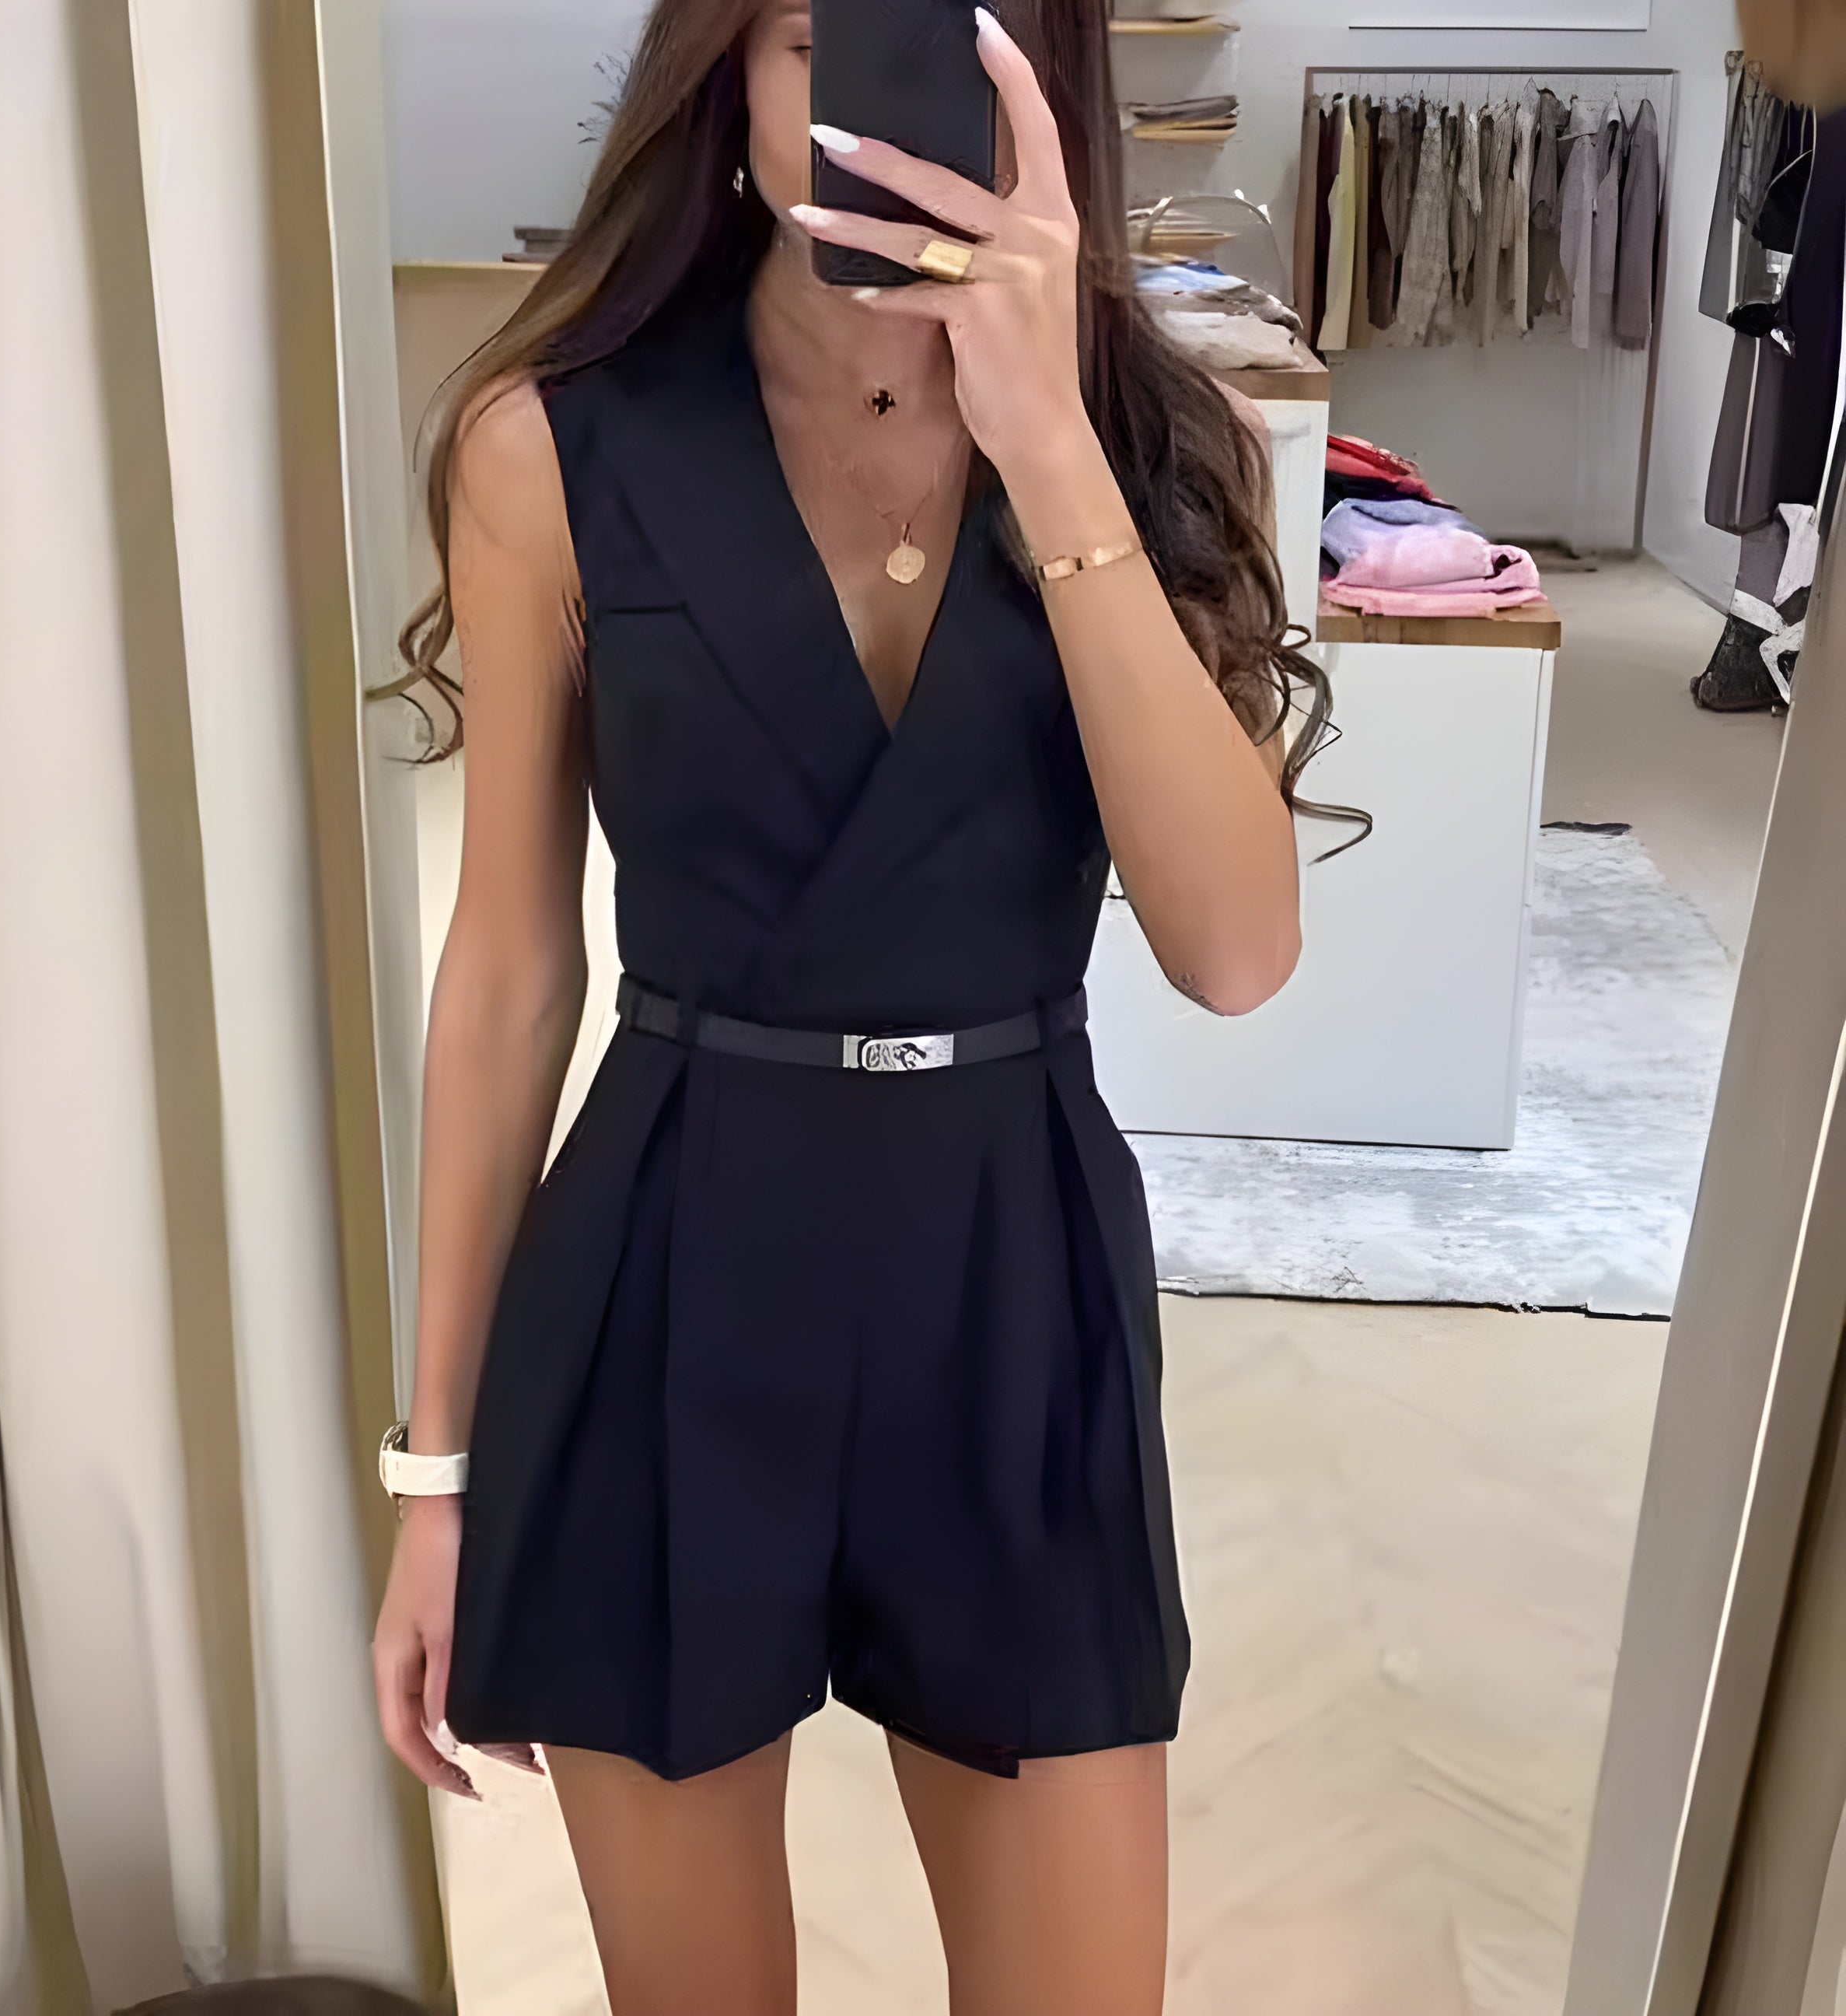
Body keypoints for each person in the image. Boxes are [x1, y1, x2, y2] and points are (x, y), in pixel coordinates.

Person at [372, 2, 1345, 2009]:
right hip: (671, 1268)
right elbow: (511, 973)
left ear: (1040, 86)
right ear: (726, 76)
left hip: (1013, 1278)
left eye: (938, 40)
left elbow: (1237, 951)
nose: (867, 113)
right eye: (818, 38)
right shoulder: (553, 443)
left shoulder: (1156, 446)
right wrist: (437, 1479)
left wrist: (1046, 440)